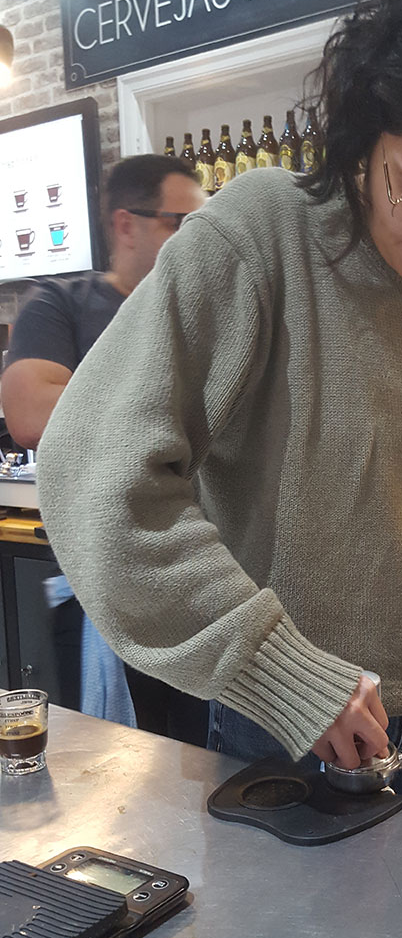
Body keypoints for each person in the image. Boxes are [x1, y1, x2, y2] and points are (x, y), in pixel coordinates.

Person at [37, 0, 402, 829]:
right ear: (367, 131)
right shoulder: (260, 236)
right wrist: (277, 668)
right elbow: (97, 471)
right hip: (276, 743)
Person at [3, 154, 208, 742]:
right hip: (109, 585)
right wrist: (183, 409)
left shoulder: (205, 310)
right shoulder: (62, 303)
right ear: (126, 224)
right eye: (180, 223)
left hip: (207, 583)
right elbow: (30, 413)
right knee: (119, 759)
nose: (198, 239)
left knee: (212, 766)